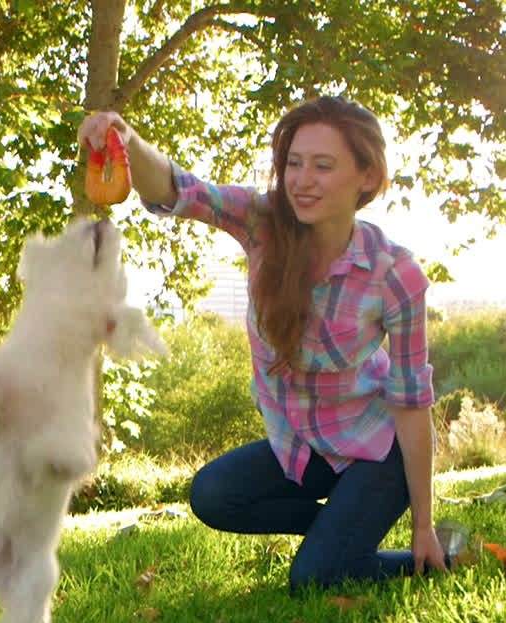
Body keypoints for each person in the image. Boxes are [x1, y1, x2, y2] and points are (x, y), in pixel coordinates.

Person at [78, 96, 448, 590]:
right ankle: (337, 539)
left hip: (379, 452)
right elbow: (181, 188)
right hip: (305, 448)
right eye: (293, 163)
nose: (302, 179)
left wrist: (423, 526)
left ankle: (425, 554)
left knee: (311, 582)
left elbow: (410, 403)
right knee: (213, 494)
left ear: (365, 176)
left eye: (322, 165)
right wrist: (125, 140)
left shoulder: (394, 274)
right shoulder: (262, 221)